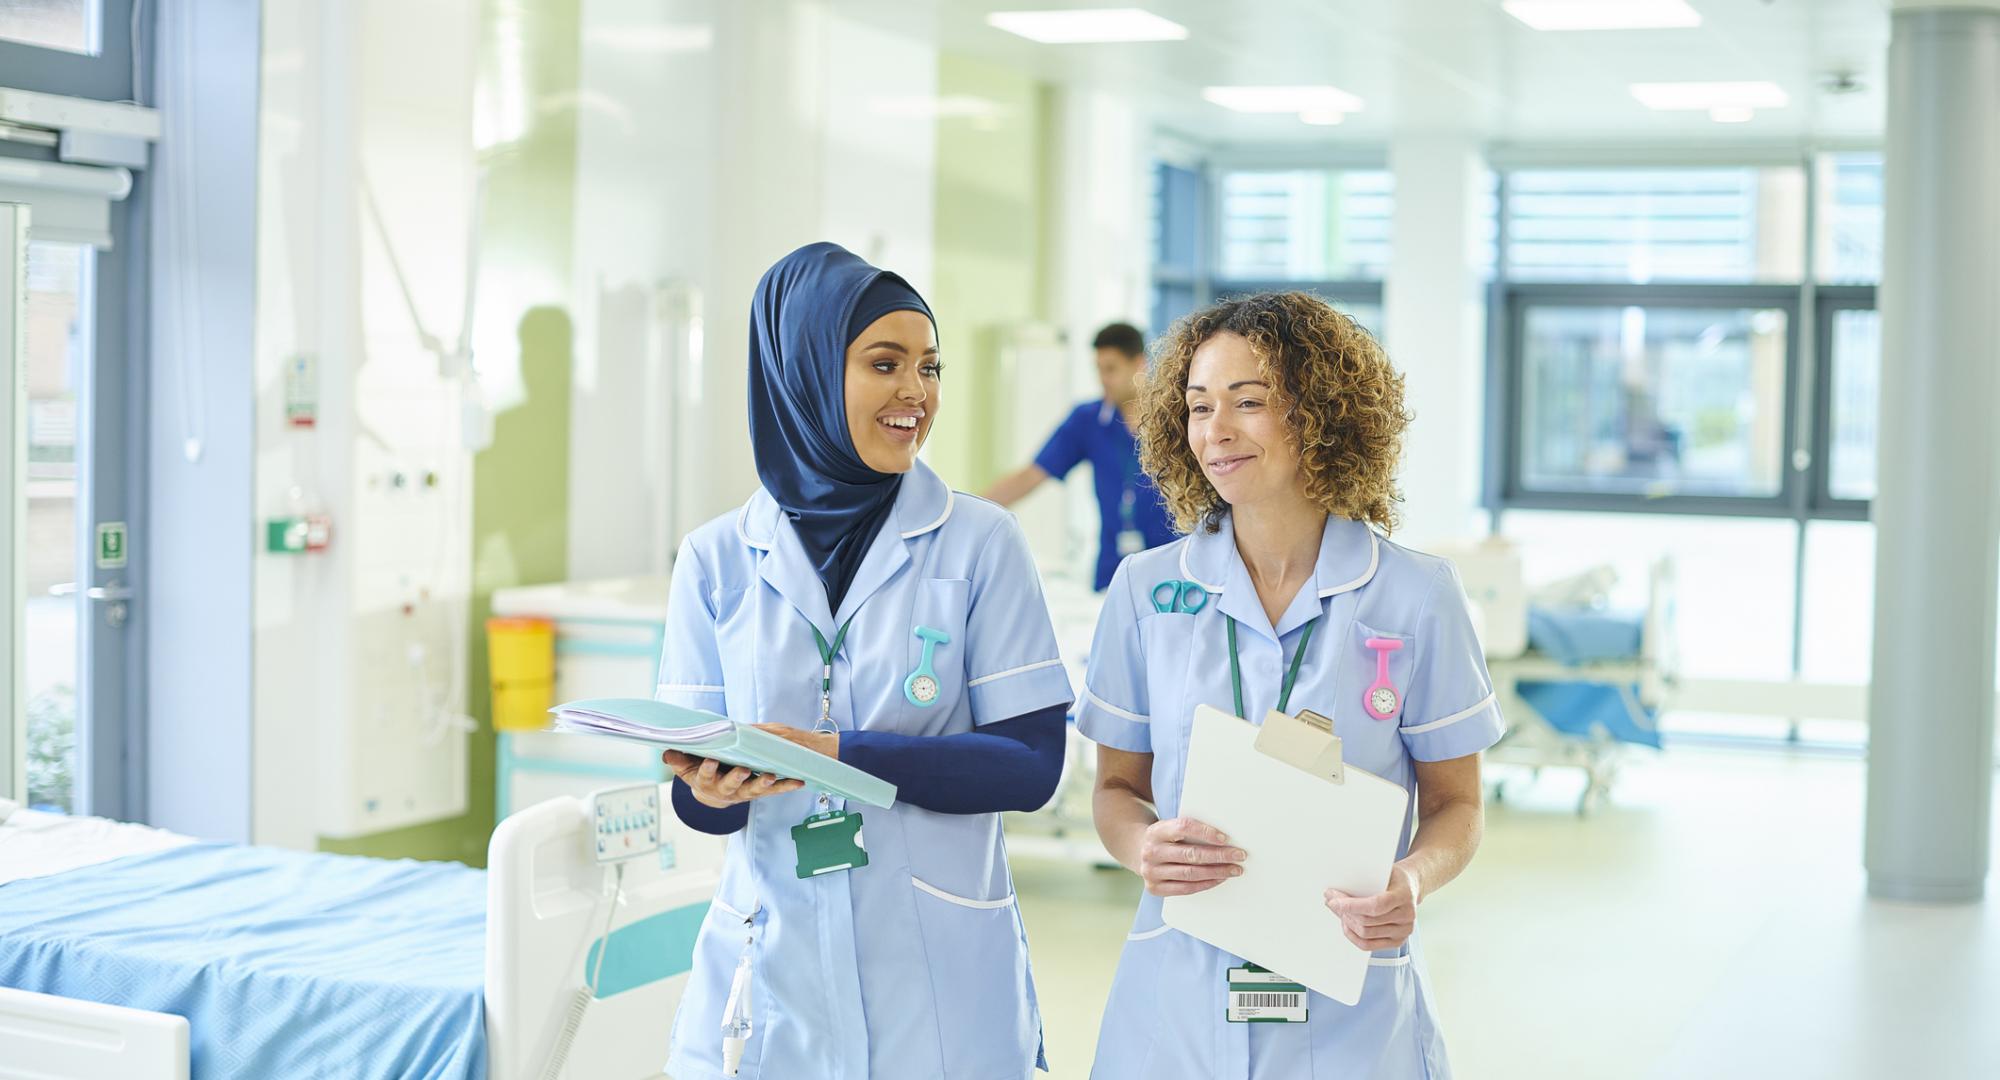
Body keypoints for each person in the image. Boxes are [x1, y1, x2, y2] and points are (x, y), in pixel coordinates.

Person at [655, 242, 1075, 1080]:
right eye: (884, 363)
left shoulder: (979, 541)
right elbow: (699, 806)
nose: (916, 394)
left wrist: (835, 758)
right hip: (772, 961)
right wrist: (708, 789)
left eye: (930, 366)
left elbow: (1031, 769)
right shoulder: (716, 558)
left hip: (937, 976)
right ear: (801, 374)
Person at [1075, 292, 1502, 1078]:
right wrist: (1143, 848)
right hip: (1179, 998)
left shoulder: (1414, 596)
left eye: (1250, 403)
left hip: (1351, 1009)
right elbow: (1116, 790)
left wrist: (1411, 879)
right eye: (1199, 407)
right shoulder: (1145, 591)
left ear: (1320, 414)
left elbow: (1457, 805)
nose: (1217, 432)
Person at [984, 322, 1176, 590]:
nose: (1103, 378)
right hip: (1114, 574)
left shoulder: (1176, 420)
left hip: (1174, 571)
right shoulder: (1088, 421)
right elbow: (1031, 475)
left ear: (1139, 364)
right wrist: (970, 510)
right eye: (1098, 369)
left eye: (1111, 369)